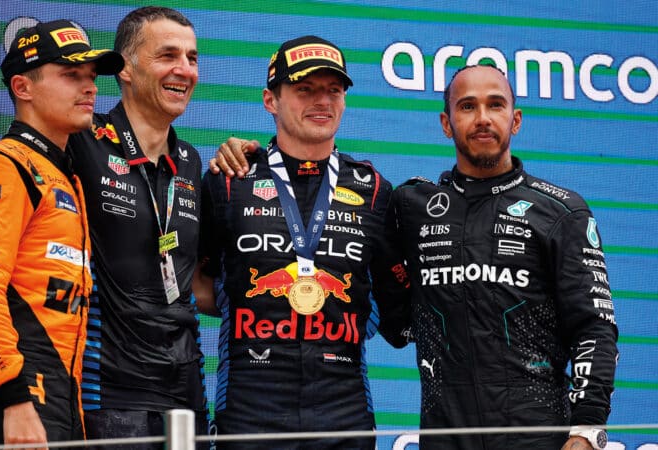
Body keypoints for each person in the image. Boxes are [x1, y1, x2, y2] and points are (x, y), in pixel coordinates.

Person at [194, 35, 411, 450]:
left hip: (343, 413)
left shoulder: (375, 189)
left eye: (333, 90)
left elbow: (395, 305)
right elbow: (193, 282)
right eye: (305, 90)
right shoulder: (228, 178)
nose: (322, 101)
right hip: (249, 411)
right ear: (270, 100)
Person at [391, 64, 618, 449]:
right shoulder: (410, 206)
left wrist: (586, 432)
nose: (482, 119)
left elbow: (594, 328)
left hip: (538, 437)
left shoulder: (561, 212)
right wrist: (253, 155)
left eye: (495, 105)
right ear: (446, 123)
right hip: (445, 437)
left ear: (515, 120)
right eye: (467, 107)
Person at [0, 20, 123, 447]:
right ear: (23, 88)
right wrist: (15, 401)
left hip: (59, 398)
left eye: (91, 77)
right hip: (10, 403)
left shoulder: (66, 176)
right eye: (70, 75)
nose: (90, 88)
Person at [65, 7, 210, 448]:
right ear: (124, 69)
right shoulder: (82, 140)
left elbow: (197, 279)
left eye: (192, 58)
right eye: (167, 55)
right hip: (110, 390)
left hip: (186, 393)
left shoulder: (190, 161)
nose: (184, 70)